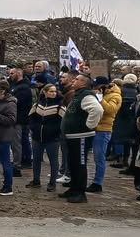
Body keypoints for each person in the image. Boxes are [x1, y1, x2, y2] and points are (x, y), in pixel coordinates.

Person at [59, 74, 104, 203]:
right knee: (73, 164)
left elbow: (97, 110)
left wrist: (89, 125)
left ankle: (80, 193)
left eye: (77, 79)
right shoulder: (78, 94)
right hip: (72, 136)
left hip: (81, 136)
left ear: (84, 83)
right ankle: (73, 189)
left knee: (80, 164)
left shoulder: (87, 96)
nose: (74, 81)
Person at [26, 83, 64, 192]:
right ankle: (36, 181)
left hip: (52, 139)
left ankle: (52, 183)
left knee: (53, 160)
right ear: (45, 92)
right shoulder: (37, 104)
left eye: (55, 91)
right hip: (37, 137)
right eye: (51, 91)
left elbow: (62, 122)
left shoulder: (60, 106)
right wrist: (34, 128)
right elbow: (31, 117)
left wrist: (55, 131)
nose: (53, 93)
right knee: (36, 160)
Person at [87, 76, 121, 193]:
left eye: (97, 86)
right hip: (92, 127)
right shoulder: (100, 93)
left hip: (103, 130)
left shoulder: (115, 96)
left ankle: (97, 183)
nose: (94, 88)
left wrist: (100, 98)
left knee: (99, 158)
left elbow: (111, 110)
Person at [111, 74, 139, 171]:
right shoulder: (137, 91)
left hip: (120, 117)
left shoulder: (120, 91)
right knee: (128, 140)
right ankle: (126, 159)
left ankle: (119, 158)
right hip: (132, 118)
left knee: (118, 138)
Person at [9, 65, 33, 174]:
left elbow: (19, 104)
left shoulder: (23, 88)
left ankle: (17, 165)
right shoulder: (15, 86)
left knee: (17, 143)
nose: (9, 76)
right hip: (16, 118)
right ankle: (17, 162)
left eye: (12, 74)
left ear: (19, 74)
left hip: (18, 119)